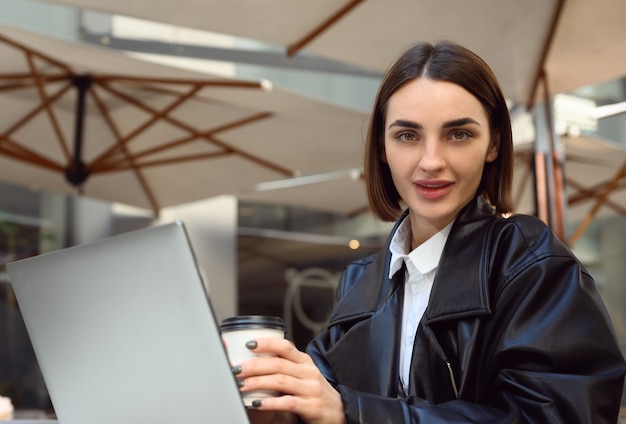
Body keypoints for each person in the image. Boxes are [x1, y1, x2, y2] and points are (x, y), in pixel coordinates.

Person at [231, 41, 626, 423]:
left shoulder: (531, 264)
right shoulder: (361, 283)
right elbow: (324, 397)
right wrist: (278, 408)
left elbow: (558, 415)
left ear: (493, 143)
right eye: (407, 136)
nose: (431, 161)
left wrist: (353, 413)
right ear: (382, 149)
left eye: (458, 134)